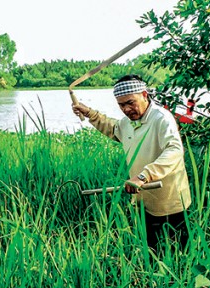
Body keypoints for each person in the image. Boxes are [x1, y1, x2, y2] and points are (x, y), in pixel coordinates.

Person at [71, 75, 191, 249]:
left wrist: (143, 176)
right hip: (143, 199)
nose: (126, 109)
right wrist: (89, 113)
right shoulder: (128, 122)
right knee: (151, 250)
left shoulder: (161, 118)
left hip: (169, 199)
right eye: (121, 105)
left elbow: (174, 150)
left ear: (144, 95)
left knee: (180, 251)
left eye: (130, 102)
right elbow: (113, 128)